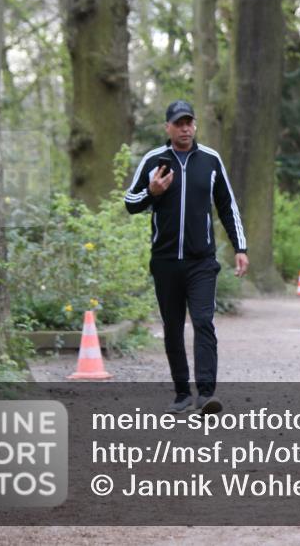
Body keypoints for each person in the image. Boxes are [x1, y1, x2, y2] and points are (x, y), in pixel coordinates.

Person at [125, 100, 248, 414]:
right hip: (165, 262)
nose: (185, 129)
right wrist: (152, 192)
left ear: (195, 125)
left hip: (201, 261)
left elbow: (227, 205)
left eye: (189, 123)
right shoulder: (154, 159)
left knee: (204, 322)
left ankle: (206, 394)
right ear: (167, 127)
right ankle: (182, 394)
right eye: (178, 124)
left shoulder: (210, 160)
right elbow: (130, 201)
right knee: (173, 327)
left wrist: (240, 248)